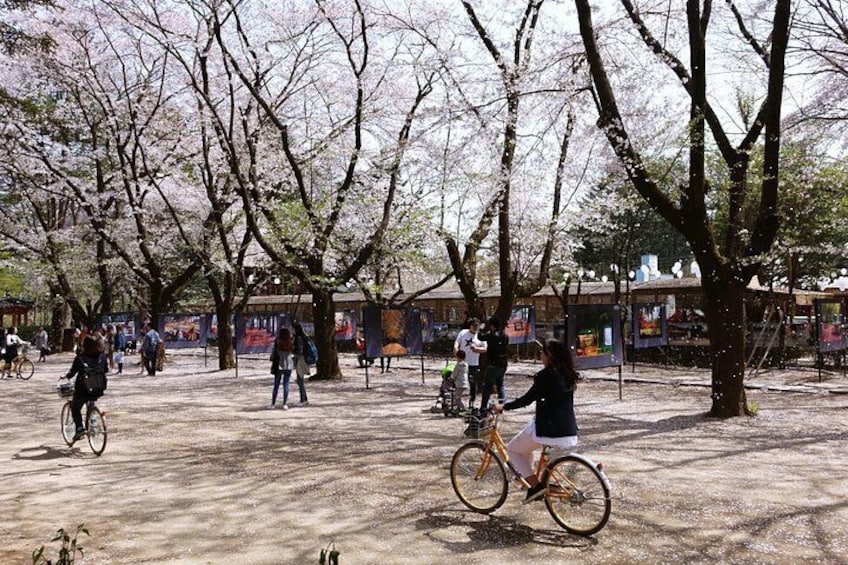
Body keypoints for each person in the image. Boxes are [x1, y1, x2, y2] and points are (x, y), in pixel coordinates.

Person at [492, 338, 579, 502]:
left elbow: (526, 399)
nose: (540, 355)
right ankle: (526, 478)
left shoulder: (544, 376)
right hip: (568, 429)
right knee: (525, 446)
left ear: (549, 356)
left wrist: (503, 407)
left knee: (513, 450)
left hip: (548, 429)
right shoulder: (568, 374)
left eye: (542, 352)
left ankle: (535, 486)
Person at [61, 334, 109, 442]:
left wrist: (66, 376)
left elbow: (73, 371)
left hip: (83, 388)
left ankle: (79, 429)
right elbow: (105, 370)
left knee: (75, 407)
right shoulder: (102, 357)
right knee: (91, 400)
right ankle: (93, 420)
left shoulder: (80, 357)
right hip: (98, 386)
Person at [474, 317, 509, 410]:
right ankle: (502, 406)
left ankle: (483, 407)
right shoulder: (505, 336)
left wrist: (481, 327)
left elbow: (480, 337)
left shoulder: (491, 335)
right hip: (503, 364)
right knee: (500, 384)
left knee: (487, 387)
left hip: (493, 364)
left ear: (492, 326)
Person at [454, 318, 482, 408]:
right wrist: (456, 350)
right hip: (462, 363)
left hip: (473, 363)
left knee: (472, 382)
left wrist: (477, 349)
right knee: (459, 381)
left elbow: (485, 349)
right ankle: (457, 400)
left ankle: (472, 401)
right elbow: (456, 343)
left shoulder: (481, 336)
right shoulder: (463, 332)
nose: (475, 328)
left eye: (476, 326)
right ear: (470, 325)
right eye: (473, 326)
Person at [269, 327, 294, 410]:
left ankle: (273, 403)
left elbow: (274, 352)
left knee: (276, 385)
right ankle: (285, 403)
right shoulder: (290, 342)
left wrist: (271, 358)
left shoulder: (277, 341)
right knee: (286, 385)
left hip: (279, 364)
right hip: (289, 364)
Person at [291, 322, 310, 406]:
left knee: (300, 380)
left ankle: (303, 400)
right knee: (300, 380)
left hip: (301, 360)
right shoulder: (302, 336)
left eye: (292, 329)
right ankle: (304, 398)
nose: (291, 330)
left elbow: (299, 351)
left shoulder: (298, 338)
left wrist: (293, 353)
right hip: (303, 360)